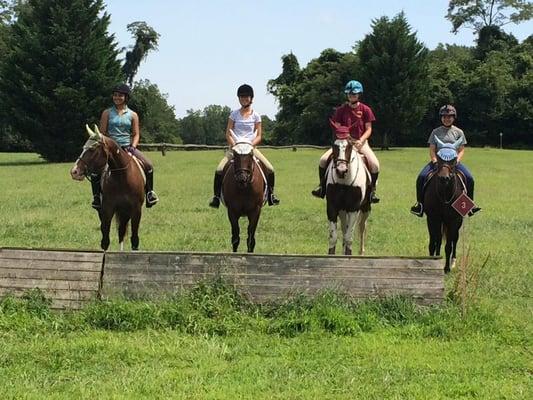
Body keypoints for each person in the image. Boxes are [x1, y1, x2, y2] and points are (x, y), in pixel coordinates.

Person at [209, 84, 280, 208]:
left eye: (246, 97)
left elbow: (258, 135)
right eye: (241, 97)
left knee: (270, 168)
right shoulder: (234, 114)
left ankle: (270, 195)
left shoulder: (256, 116)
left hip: (250, 148)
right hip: (235, 148)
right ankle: (216, 197)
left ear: (251, 98)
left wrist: (250, 145)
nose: (244, 99)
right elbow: (228, 133)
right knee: (219, 169)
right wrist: (235, 145)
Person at [90, 83, 159, 210]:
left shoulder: (133, 115)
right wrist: (106, 145)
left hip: (127, 147)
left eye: (120, 95)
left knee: (148, 165)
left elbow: (136, 134)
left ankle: (150, 193)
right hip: (109, 148)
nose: (117, 97)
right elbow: (102, 133)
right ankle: (96, 197)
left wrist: (133, 146)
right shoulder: (107, 113)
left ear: (126, 97)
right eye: (115, 95)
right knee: (95, 170)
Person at [311, 80, 380, 203]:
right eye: (349, 94)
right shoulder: (341, 110)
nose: (351, 96)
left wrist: (361, 140)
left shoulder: (366, 110)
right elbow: (337, 128)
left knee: (375, 164)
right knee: (322, 160)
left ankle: (372, 192)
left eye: (354, 94)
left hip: (361, 143)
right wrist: (344, 139)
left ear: (359, 94)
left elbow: (369, 129)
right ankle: (322, 187)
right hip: (343, 143)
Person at [410, 104, 481, 217]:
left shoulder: (459, 132)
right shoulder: (435, 132)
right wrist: (434, 161)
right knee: (421, 177)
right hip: (438, 162)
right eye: (444, 116)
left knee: (469, 178)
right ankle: (420, 205)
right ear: (441, 118)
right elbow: (432, 149)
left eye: (449, 117)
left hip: (453, 163)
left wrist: (457, 160)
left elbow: (462, 149)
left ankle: (469, 207)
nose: (447, 119)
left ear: (454, 118)